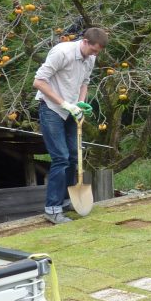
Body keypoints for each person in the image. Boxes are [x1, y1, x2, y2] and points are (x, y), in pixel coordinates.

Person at [32, 27, 108, 224]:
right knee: (61, 158)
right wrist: (64, 104)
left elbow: (84, 82)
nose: (94, 55)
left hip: (72, 111)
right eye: (93, 50)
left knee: (75, 156)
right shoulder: (62, 52)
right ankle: (52, 209)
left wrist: (80, 104)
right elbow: (39, 82)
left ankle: (67, 200)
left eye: (97, 52)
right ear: (85, 42)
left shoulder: (90, 58)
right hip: (51, 109)